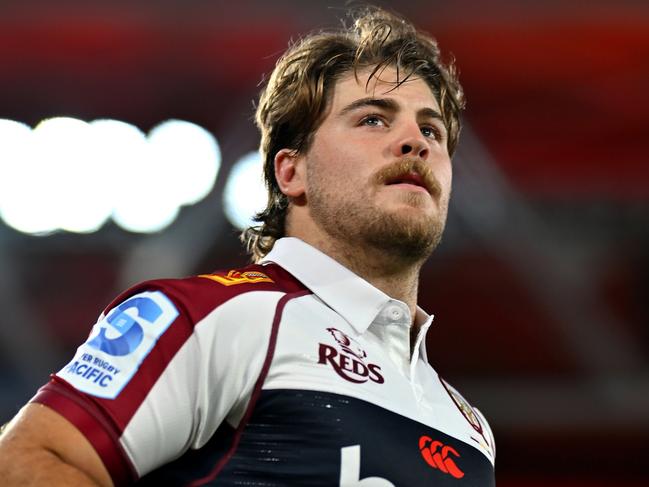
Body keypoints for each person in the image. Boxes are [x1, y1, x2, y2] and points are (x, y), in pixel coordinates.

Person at [0, 6, 495, 486]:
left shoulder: (470, 429)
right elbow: (23, 460)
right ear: (291, 171)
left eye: (431, 129)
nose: (417, 142)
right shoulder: (211, 315)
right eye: (373, 120)